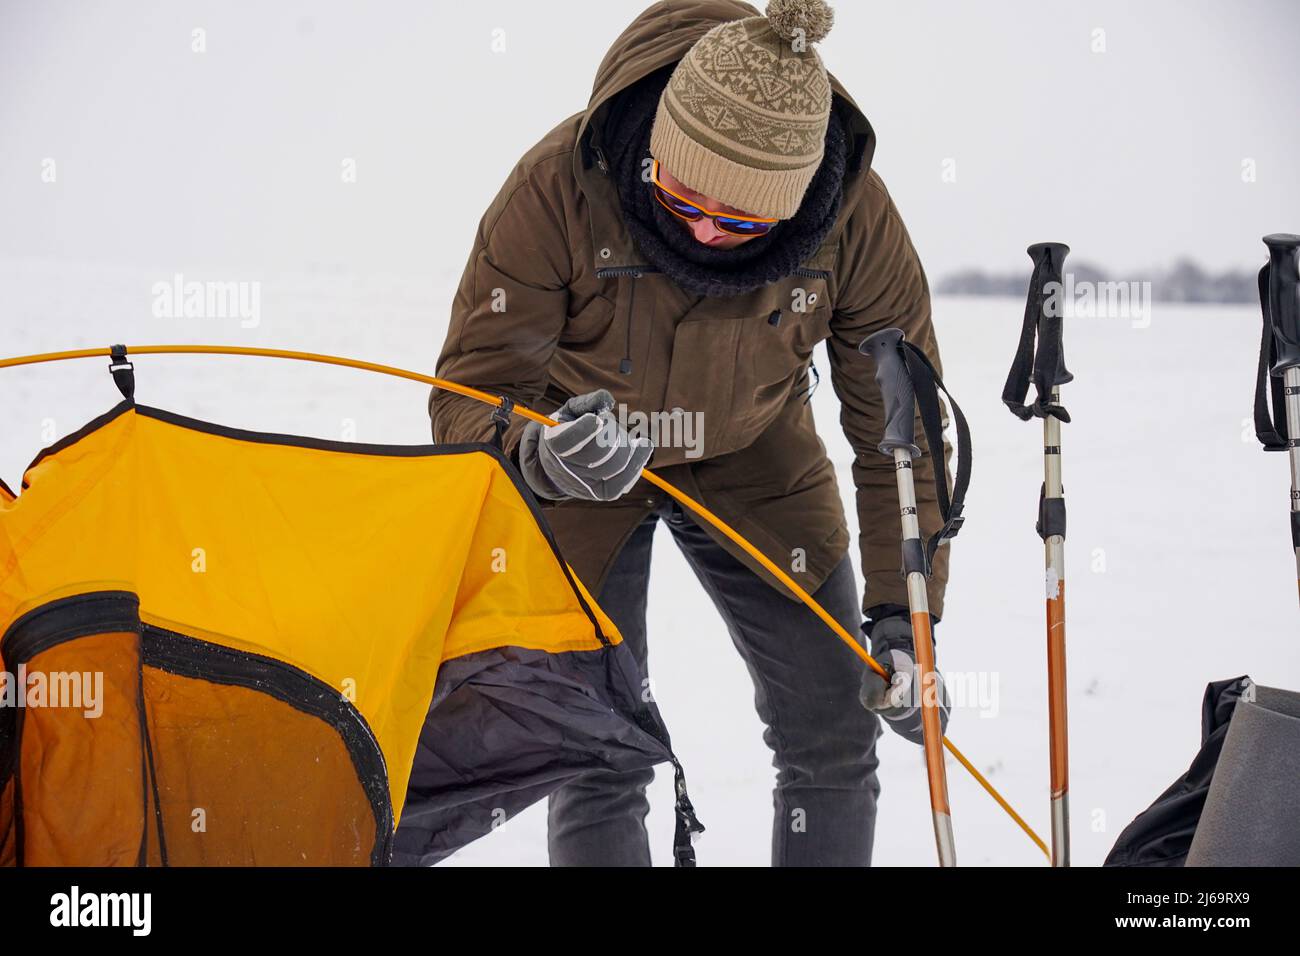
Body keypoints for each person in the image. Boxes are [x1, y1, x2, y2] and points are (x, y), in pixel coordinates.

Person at [430, 0, 952, 867]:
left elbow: (901, 439)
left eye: (743, 221)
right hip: (586, 454)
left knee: (834, 722)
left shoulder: (855, 217)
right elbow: (467, 394)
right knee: (596, 739)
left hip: (757, 451)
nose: (705, 230)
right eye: (683, 194)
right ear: (653, 151)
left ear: (798, 204)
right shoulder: (558, 184)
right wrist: (536, 453)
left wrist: (907, 618)